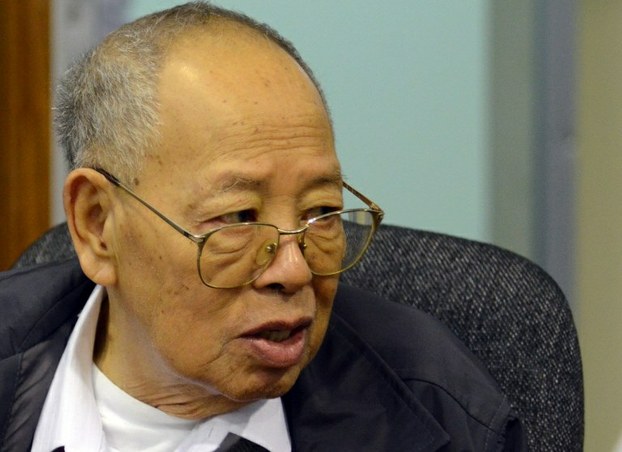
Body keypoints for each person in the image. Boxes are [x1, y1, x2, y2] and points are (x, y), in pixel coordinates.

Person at [0, 2, 524, 451]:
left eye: (320, 213)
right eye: (239, 218)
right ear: (97, 224)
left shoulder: (444, 415)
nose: (293, 271)